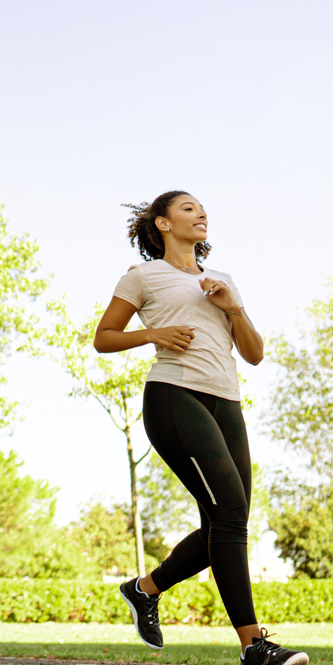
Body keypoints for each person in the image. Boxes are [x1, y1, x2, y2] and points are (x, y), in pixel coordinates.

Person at [94, 192, 308, 665]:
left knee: (226, 522)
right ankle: (254, 647)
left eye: (203, 209)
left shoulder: (221, 280)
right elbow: (103, 338)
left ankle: (143, 588)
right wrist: (153, 334)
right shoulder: (143, 276)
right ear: (163, 223)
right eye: (188, 208)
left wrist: (232, 307)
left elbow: (253, 353)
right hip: (175, 395)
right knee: (229, 514)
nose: (201, 213)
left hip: (226, 401)